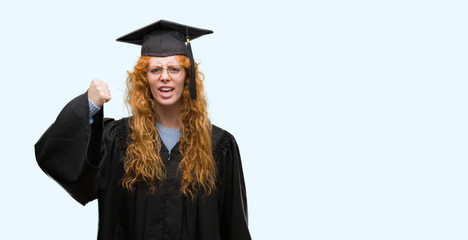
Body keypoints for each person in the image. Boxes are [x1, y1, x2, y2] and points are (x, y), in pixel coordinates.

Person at [35, 19, 251, 240]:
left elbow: (235, 228)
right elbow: (61, 162)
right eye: (155, 69)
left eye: (174, 69)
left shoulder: (219, 146)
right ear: (144, 78)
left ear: (187, 77)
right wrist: (88, 106)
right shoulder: (118, 140)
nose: (164, 76)